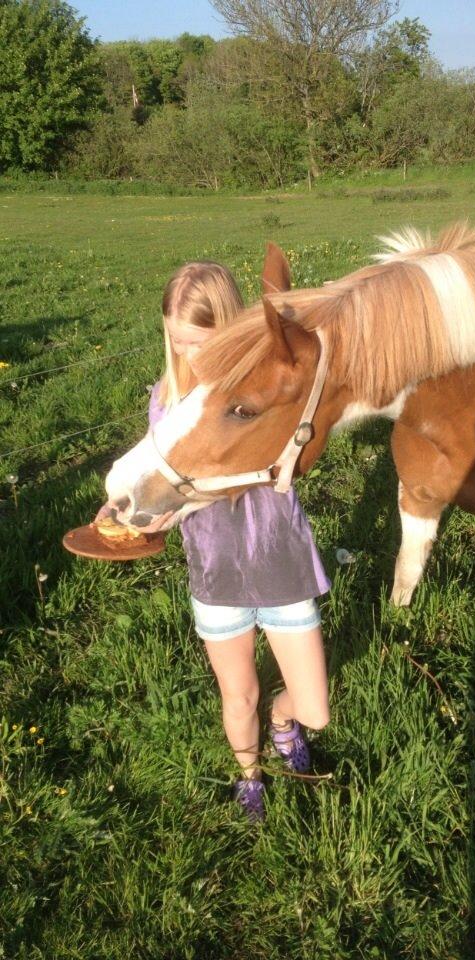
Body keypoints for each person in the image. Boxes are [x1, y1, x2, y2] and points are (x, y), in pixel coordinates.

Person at [102, 259, 331, 821]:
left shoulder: (261, 388)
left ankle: (284, 724)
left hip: (280, 563)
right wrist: (139, 512)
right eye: (178, 341)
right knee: (238, 696)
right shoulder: (168, 399)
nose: (189, 355)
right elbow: (163, 482)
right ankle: (250, 777)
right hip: (217, 573)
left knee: (315, 710)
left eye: (201, 342)